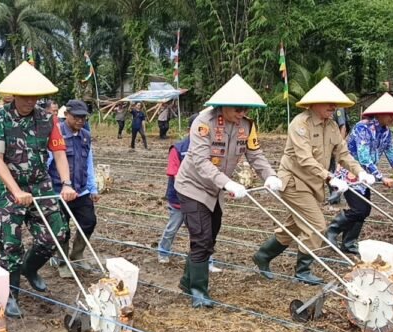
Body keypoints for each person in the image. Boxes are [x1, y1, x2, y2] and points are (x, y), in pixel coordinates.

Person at [253, 78, 371, 285]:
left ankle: (263, 255)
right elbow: (304, 159)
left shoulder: (332, 126)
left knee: (293, 227)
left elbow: (343, 154)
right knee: (316, 225)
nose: (333, 107)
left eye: (335, 104)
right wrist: (331, 177)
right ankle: (303, 271)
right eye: (328, 103)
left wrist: (360, 172)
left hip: (312, 184)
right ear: (314, 104)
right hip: (293, 182)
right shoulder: (300, 124)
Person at [175, 74, 279, 308]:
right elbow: (201, 162)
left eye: (246, 109)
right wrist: (228, 183)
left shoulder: (246, 126)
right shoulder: (204, 123)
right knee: (201, 238)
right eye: (238, 109)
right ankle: (199, 291)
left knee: (210, 236)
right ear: (223, 105)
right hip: (192, 186)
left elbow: (255, 154)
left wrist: (270, 175)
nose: (242, 113)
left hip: (216, 189)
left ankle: (186, 280)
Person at [0, 61, 77, 318]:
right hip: (7, 190)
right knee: (10, 244)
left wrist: (67, 183)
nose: (29, 101)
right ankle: (12, 294)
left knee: (57, 234)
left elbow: (59, 153)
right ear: (14, 95)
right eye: (24, 97)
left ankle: (31, 268)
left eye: (34, 97)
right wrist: (15, 190)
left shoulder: (47, 119)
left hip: (39, 184)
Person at [325, 93, 393, 254]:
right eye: (390, 114)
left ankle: (349, 242)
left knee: (364, 210)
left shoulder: (386, 133)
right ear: (379, 113)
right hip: (350, 173)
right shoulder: (363, 127)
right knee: (360, 209)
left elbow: (392, 155)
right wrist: (381, 177)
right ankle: (332, 230)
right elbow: (364, 157)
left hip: (366, 177)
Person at [156, 114, 224, 272]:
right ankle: (163, 252)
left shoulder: (211, 148)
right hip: (180, 199)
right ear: (190, 130)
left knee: (203, 233)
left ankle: (208, 262)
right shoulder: (178, 149)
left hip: (202, 199)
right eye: (200, 129)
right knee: (172, 228)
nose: (204, 132)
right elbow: (174, 173)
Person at [47, 100, 99, 279]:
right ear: (66, 114)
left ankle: (77, 255)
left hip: (81, 190)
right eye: (76, 116)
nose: (80, 120)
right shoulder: (56, 133)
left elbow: (88, 162)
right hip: (58, 191)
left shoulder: (85, 135)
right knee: (62, 229)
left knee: (89, 221)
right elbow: (47, 162)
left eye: (83, 117)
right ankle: (62, 262)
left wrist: (93, 187)